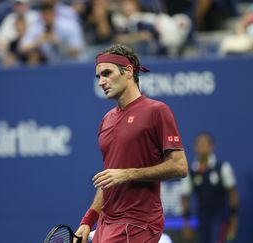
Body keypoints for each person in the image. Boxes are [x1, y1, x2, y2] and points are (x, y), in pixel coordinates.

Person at [75, 44, 188, 243]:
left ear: (128, 71)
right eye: (98, 77)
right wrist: (88, 220)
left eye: (107, 74)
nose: (101, 82)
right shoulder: (106, 120)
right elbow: (109, 179)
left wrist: (127, 174)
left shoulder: (157, 111)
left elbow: (179, 167)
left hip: (137, 223)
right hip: (107, 224)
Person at [181, 132, 239, 243]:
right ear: (195, 147)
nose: (202, 146)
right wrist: (186, 224)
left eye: (205, 143)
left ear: (212, 146)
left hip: (221, 219)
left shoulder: (222, 167)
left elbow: (233, 194)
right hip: (201, 219)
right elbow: (185, 197)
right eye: (199, 143)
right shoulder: (191, 171)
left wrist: (234, 221)